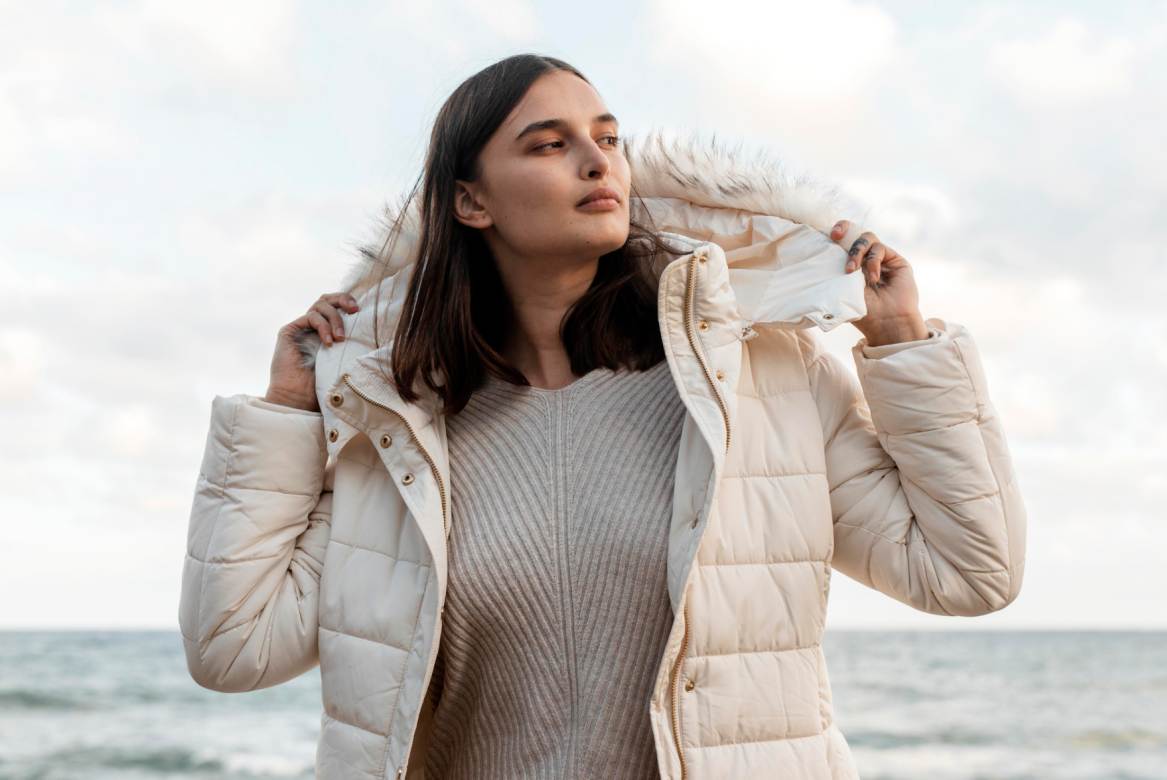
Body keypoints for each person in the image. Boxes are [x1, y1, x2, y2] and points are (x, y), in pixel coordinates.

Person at [178, 53, 1027, 779]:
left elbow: (965, 571)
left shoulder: (759, 379)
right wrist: (287, 413)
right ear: (472, 203)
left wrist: (900, 343)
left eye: (609, 139)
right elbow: (234, 647)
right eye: (550, 145)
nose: (599, 161)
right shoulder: (400, 428)